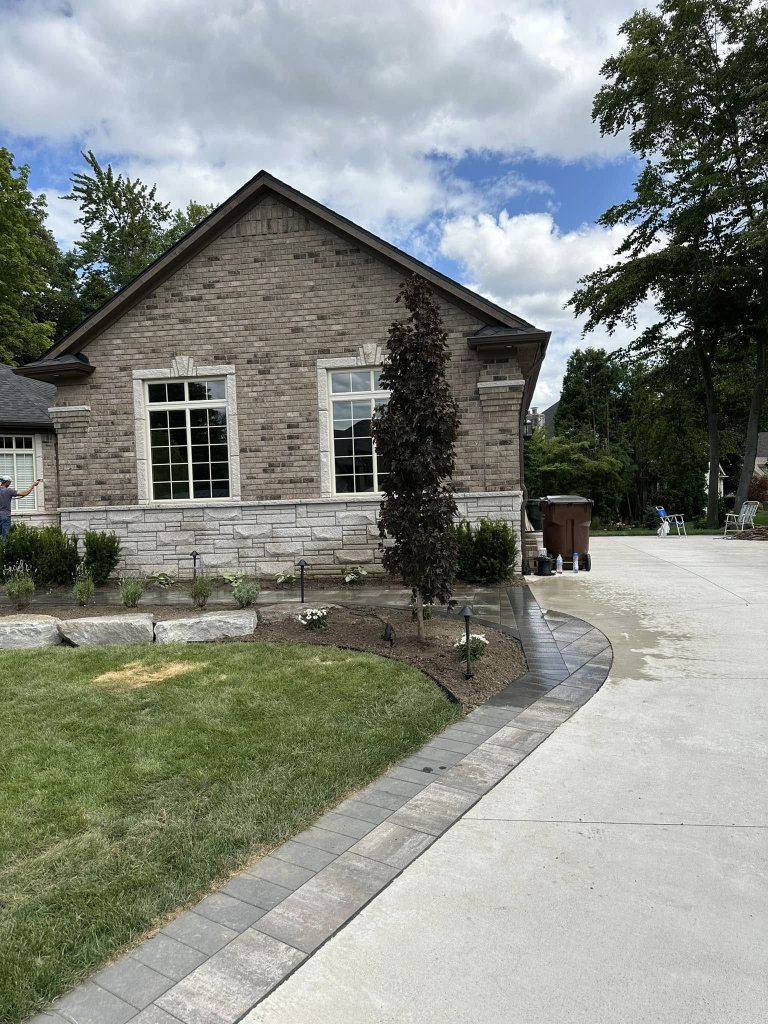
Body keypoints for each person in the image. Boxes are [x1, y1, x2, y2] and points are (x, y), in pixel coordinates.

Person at [0, 475, 40, 539]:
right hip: (5, 516)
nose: (10, 484)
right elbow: (24, 493)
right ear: (7, 482)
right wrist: (33, 485)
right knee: (4, 537)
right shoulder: (9, 491)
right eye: (10, 482)